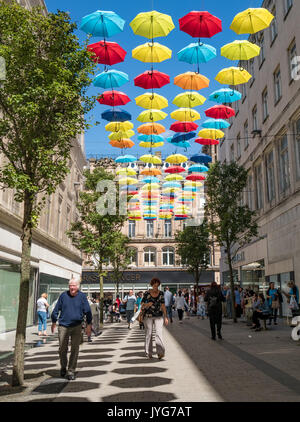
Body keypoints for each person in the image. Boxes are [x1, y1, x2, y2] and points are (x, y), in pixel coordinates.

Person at [51, 279, 92, 381]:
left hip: (77, 326)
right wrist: (53, 321)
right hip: (63, 326)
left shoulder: (82, 297)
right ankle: (63, 366)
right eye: (70, 286)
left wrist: (88, 325)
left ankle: (71, 370)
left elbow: (88, 311)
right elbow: (56, 309)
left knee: (75, 349)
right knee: (62, 349)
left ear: (78, 286)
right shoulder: (63, 296)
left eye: (74, 286)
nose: (72, 288)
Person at [141, 278, 168, 359]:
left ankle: (160, 352)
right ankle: (148, 353)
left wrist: (166, 317)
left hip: (159, 316)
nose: (156, 287)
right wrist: (147, 304)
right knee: (149, 334)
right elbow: (141, 304)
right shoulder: (146, 293)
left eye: (157, 285)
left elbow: (163, 306)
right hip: (148, 316)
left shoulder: (161, 293)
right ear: (152, 285)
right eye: (154, 285)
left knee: (159, 334)